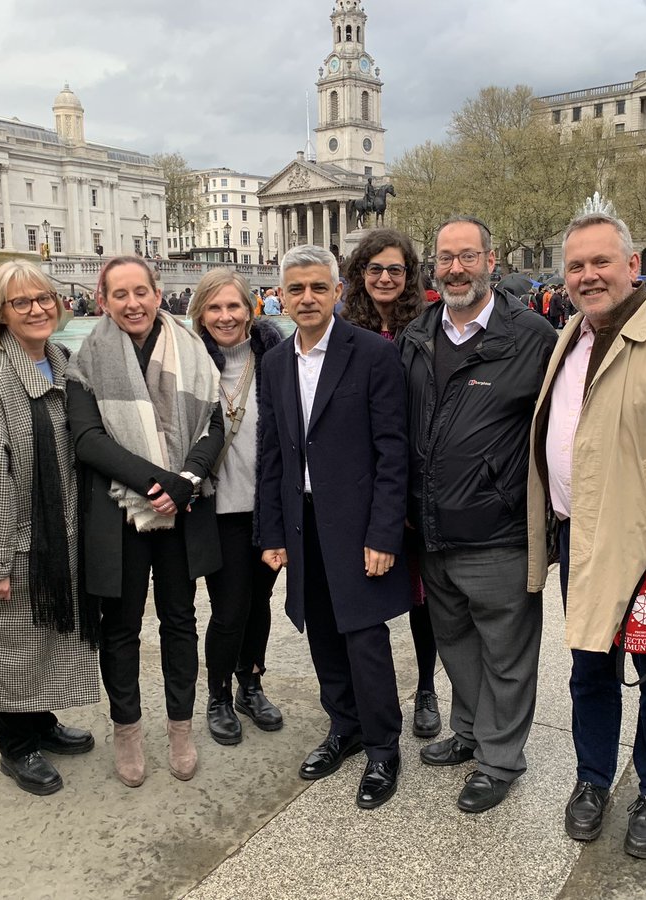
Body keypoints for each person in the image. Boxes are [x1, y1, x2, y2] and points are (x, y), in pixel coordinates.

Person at [527, 212, 646, 856]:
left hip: (641, 549)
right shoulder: (571, 336)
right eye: (576, 266)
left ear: (632, 266)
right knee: (588, 668)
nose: (588, 276)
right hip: (577, 538)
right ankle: (593, 779)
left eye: (601, 262)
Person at [398, 216, 557, 813]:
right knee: (456, 643)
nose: (456, 268)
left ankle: (499, 759)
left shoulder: (533, 336)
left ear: (491, 260)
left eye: (468, 256)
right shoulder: (418, 334)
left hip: (499, 531)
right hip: (433, 530)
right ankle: (468, 732)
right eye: (445, 258)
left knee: (507, 654)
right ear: (433, 266)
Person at [256, 244, 410, 810]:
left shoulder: (370, 354)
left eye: (318, 287)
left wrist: (384, 534)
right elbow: (272, 451)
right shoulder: (275, 362)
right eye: (295, 289)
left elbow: (394, 452)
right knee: (320, 629)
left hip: (358, 523)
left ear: (338, 292)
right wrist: (272, 532)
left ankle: (382, 746)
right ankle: (342, 727)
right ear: (280, 295)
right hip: (302, 522)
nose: (306, 298)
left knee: (364, 637)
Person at [66, 255, 224, 788]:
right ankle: (127, 730)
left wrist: (189, 478)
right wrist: (162, 484)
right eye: (120, 294)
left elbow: (214, 423)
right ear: (102, 300)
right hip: (123, 513)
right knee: (123, 628)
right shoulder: (86, 360)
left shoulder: (194, 350)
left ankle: (180, 728)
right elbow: (88, 440)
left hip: (181, 509)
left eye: (141, 292)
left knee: (180, 621)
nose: (132, 303)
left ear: (158, 294)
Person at [0, 259, 99, 796]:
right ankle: (15, 749)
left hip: (56, 538)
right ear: (1, 314)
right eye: (22, 302)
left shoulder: (61, 361)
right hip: (15, 541)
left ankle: (38, 723)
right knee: (9, 646)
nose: (37, 309)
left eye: (44, 298)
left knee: (42, 639)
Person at [341, 228, 442, 739]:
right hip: (365, 479)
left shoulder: (429, 326)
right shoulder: (341, 327)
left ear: (409, 276)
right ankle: (365, 695)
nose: (384, 277)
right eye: (375, 268)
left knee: (422, 595)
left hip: (417, 473)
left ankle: (426, 687)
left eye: (395, 270)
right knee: (367, 588)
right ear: (361, 273)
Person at [189, 269, 286, 744]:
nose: (225, 317)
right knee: (229, 607)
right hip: (216, 508)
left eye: (234, 306)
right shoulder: (188, 366)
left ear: (250, 309)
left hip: (266, 507)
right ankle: (219, 694)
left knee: (261, 601)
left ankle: (251, 682)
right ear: (200, 314)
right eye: (215, 308)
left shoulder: (275, 360)